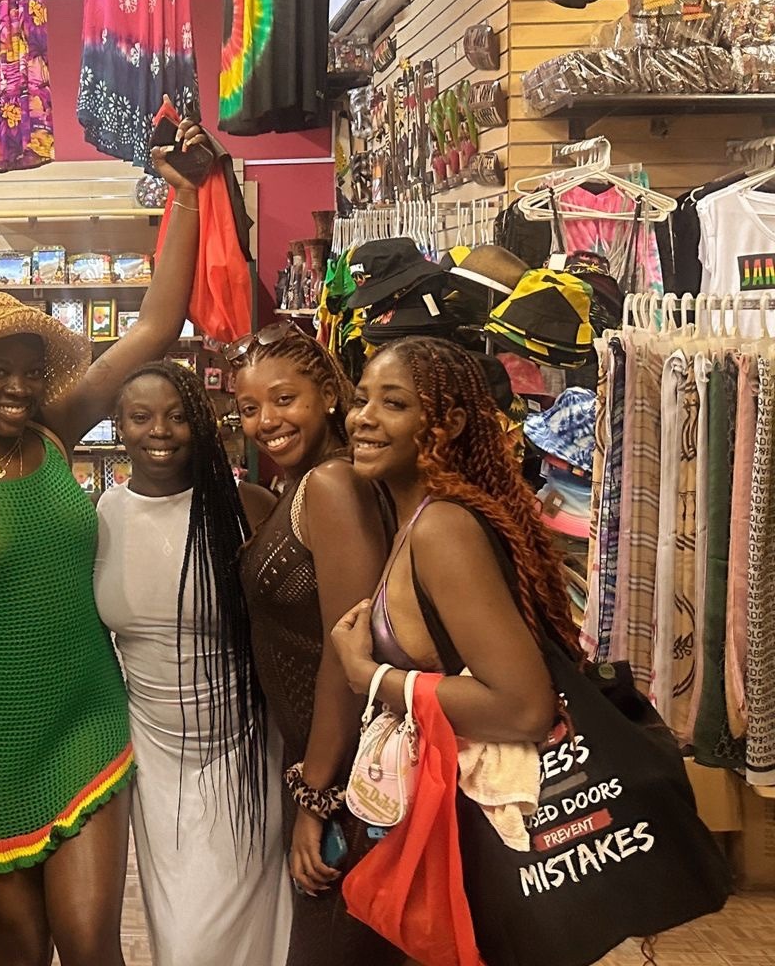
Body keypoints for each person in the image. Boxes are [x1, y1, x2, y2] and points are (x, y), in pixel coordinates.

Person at [0, 115, 209, 966]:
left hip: (85, 708)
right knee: (23, 949)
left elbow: (154, 329)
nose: (19, 389)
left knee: (89, 941)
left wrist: (183, 195)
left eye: (31, 373)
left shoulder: (56, 430)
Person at [93, 361, 291, 966]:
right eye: (141, 417)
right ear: (118, 426)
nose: (160, 431)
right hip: (153, 755)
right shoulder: (99, 518)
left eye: (178, 417)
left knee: (239, 929)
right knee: (179, 934)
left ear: (200, 425)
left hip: (243, 749)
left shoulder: (246, 508)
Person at [229, 323, 404, 966]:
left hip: (350, 781)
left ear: (329, 395)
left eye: (284, 399)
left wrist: (317, 797)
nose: (266, 422)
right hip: (327, 767)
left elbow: (348, 652)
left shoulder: (331, 485)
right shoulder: (299, 484)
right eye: (250, 408)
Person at [329, 336, 567, 740]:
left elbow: (524, 710)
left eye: (394, 403)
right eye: (360, 400)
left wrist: (368, 676)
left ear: (451, 424)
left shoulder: (441, 528)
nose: (364, 418)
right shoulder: (412, 519)